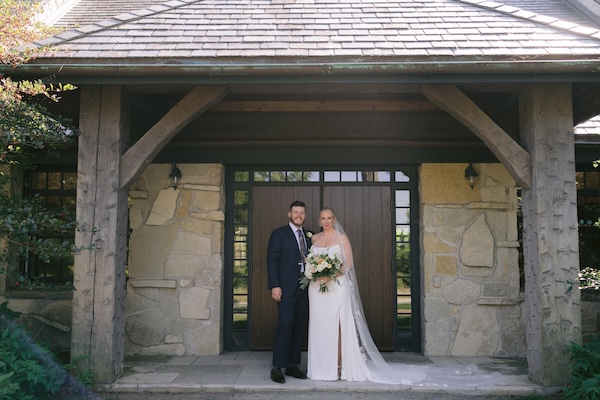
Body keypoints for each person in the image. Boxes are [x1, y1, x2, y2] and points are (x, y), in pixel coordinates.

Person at [306, 207, 424, 384]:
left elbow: (349, 264)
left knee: (337, 325)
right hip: (316, 289)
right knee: (319, 326)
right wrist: (315, 272)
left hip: (336, 287)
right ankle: (320, 368)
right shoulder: (314, 238)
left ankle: (338, 368)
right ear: (319, 220)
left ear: (334, 219)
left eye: (329, 218)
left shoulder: (342, 238)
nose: (326, 221)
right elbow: (309, 261)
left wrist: (330, 275)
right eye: (323, 218)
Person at [266, 200, 311, 384]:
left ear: (305, 215)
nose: (298, 215)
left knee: (300, 326)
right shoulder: (279, 234)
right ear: (289, 214)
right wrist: (275, 285)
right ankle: (277, 367)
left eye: (301, 213)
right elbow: (272, 260)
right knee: (285, 324)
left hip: (305, 287)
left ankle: (293, 365)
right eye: (295, 212)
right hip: (285, 288)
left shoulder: (310, 235)